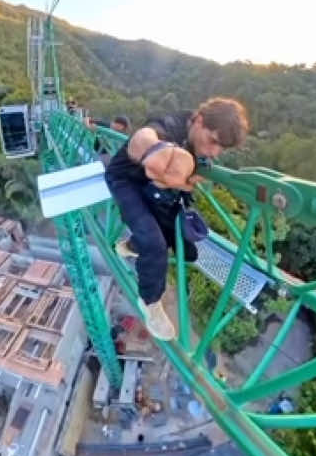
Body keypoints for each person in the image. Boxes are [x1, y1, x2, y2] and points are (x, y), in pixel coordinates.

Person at [105, 98, 249, 340]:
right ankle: (150, 302)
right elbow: (144, 136)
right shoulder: (170, 125)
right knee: (154, 243)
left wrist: (193, 173)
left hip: (154, 188)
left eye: (220, 148)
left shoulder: (199, 145)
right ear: (199, 121)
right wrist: (154, 151)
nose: (214, 152)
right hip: (126, 181)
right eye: (213, 141)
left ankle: (132, 245)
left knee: (184, 247)